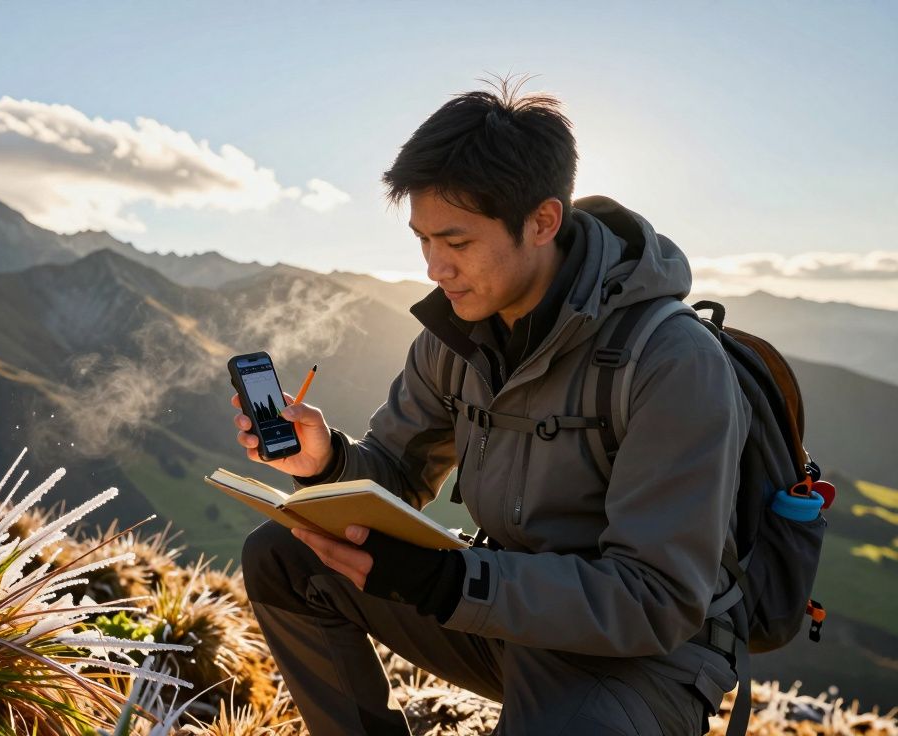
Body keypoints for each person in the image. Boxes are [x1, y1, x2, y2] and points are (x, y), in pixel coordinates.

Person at [230, 77, 750, 735]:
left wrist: (455, 583)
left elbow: (655, 602)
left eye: (457, 242)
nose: (434, 268)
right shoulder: (458, 334)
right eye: (423, 240)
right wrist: (327, 461)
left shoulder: (670, 360)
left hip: (643, 659)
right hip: (504, 612)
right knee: (286, 556)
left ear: (542, 221)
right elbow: (393, 473)